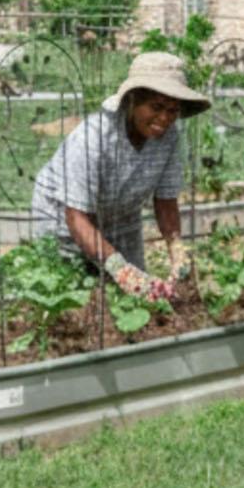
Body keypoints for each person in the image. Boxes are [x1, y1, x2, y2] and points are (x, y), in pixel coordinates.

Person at [29, 49, 209, 302]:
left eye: (172, 110)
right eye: (156, 107)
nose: (165, 118)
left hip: (121, 217)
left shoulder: (168, 138)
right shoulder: (93, 137)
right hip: (63, 221)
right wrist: (119, 269)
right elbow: (76, 217)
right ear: (133, 100)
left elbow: (165, 201)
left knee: (135, 299)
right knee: (71, 299)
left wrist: (176, 248)